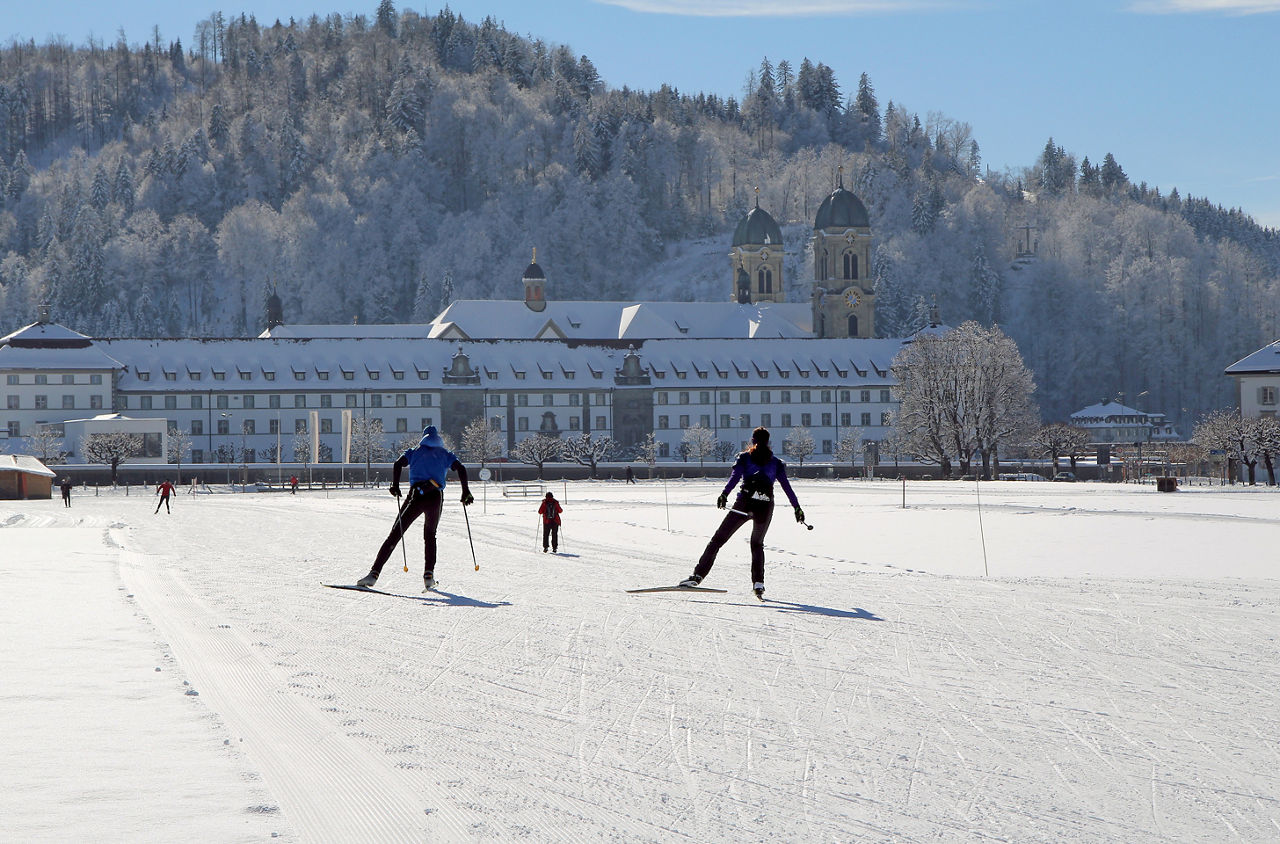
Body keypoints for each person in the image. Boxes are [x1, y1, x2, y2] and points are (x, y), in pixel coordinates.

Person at [679, 427, 803, 599]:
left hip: (743, 505)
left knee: (718, 540)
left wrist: (724, 494)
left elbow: (735, 477)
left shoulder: (744, 458)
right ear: (768, 442)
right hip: (765, 507)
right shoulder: (777, 463)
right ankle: (758, 584)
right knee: (757, 544)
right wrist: (797, 508)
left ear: (753, 440)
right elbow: (787, 488)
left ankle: (697, 576)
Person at [357, 426, 473, 591]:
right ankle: (429, 576)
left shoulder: (415, 451)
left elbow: (398, 464)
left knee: (395, 534)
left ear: (424, 437)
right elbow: (461, 468)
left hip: (416, 496)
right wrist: (465, 491)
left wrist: (395, 485)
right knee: (430, 536)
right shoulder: (445, 454)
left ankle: (373, 574)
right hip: (435, 497)